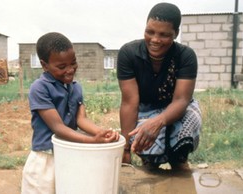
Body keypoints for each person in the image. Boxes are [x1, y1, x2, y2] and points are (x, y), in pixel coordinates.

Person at [21, 32, 120, 194]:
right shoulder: (40, 88)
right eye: (61, 67)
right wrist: (92, 141)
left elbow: (81, 119)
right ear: (44, 65)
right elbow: (58, 127)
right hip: (46, 160)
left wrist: (102, 133)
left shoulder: (75, 87)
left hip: (70, 155)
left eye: (73, 63)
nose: (70, 70)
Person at [117, 2, 202, 169]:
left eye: (164, 34)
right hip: (145, 110)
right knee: (145, 148)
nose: (155, 40)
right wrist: (125, 147)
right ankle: (150, 163)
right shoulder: (129, 54)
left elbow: (181, 100)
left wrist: (158, 122)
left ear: (175, 33)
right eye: (150, 32)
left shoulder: (185, 56)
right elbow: (129, 102)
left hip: (177, 109)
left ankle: (179, 163)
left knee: (181, 144)